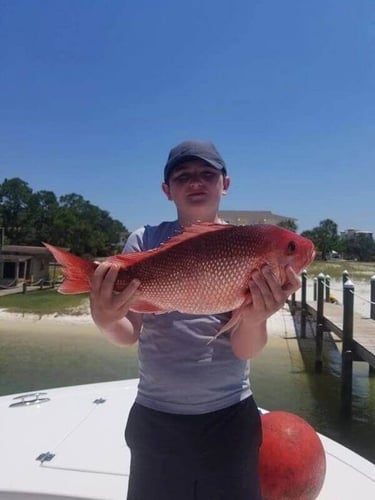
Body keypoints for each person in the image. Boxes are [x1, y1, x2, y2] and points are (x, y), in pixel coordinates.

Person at [89, 140, 301, 500]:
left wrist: (256, 317)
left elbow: (245, 347)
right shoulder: (144, 240)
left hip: (230, 417)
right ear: (167, 190)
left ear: (225, 184)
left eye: (207, 173)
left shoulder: (244, 242)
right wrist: (105, 318)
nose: (195, 182)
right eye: (183, 175)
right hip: (156, 418)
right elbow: (129, 334)